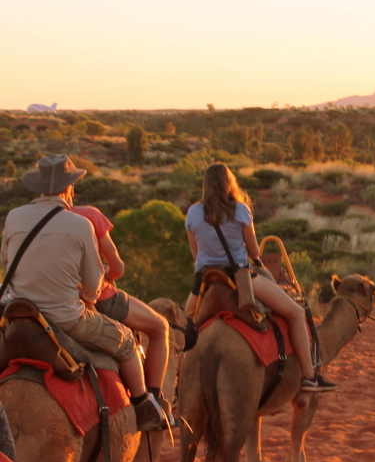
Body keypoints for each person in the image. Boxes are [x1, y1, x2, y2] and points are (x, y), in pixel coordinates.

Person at [1, 156, 168, 430]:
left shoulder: (14, 216)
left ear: (39, 188)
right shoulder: (80, 225)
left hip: (20, 315)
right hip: (66, 318)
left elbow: (7, 266)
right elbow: (92, 285)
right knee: (126, 342)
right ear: (70, 189)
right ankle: (142, 405)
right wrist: (85, 294)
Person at [183, 164, 336, 392]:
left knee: (182, 328)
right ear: (230, 183)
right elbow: (254, 252)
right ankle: (309, 376)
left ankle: (178, 381)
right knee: (295, 313)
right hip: (239, 277)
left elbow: (196, 254)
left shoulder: (193, 213)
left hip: (204, 279)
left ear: (206, 184)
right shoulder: (241, 210)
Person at [72, 203, 175, 419]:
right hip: (99, 299)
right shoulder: (89, 215)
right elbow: (118, 268)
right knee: (159, 327)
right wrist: (107, 272)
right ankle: (151, 400)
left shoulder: (33, 218)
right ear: (70, 189)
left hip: (55, 301)